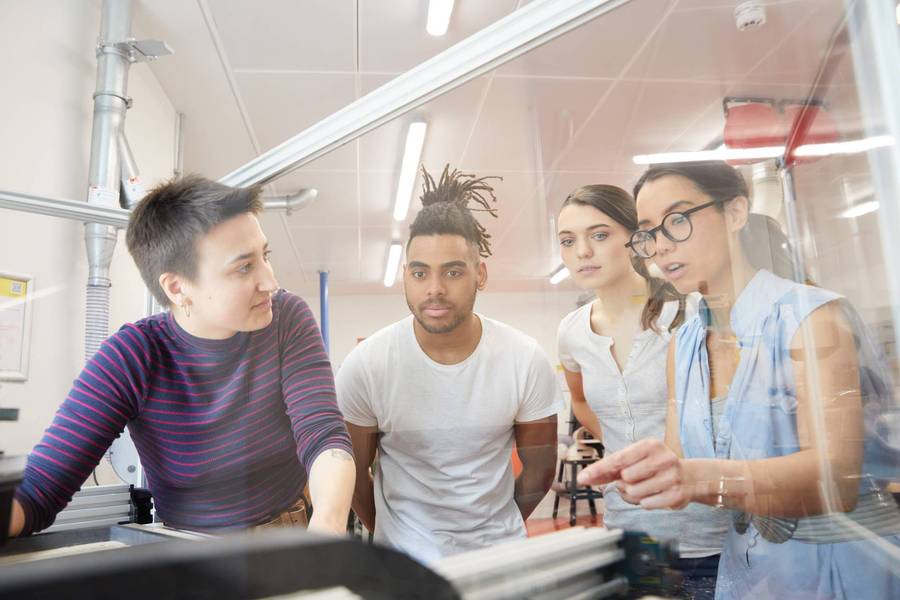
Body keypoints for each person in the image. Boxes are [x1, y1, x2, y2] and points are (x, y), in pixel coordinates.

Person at [578, 161, 900, 598]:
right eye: (650, 233)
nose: (661, 247)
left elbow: (836, 477)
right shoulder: (685, 343)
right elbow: (683, 462)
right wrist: (655, 473)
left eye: (678, 220)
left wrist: (696, 479)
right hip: (753, 569)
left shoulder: (810, 319)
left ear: (735, 213)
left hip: (844, 565)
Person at [9, 175, 355, 537]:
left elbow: (323, 436)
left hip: (291, 539)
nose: (269, 280)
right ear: (178, 287)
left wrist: (326, 531)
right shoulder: (132, 357)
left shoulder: (286, 318)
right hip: (194, 560)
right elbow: (38, 491)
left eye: (264, 256)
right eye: (244, 267)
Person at [337, 165, 562, 564]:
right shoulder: (366, 365)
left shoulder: (523, 358)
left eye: (453, 272)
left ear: (481, 274)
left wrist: (496, 530)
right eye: (420, 273)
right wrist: (392, 538)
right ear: (406, 277)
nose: (435, 288)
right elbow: (354, 477)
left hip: (499, 562)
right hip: (405, 569)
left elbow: (540, 470)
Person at [556, 184, 727, 598]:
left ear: (637, 241)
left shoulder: (685, 314)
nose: (582, 251)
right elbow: (580, 401)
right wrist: (624, 451)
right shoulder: (572, 333)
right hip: (631, 531)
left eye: (599, 235)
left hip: (710, 534)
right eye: (568, 241)